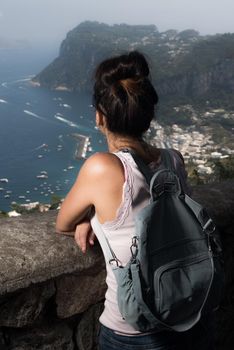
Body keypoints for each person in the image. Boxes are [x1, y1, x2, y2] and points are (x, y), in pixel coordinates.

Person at [56, 51, 215, 350]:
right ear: (148, 116)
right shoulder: (173, 160)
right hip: (188, 313)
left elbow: (62, 223)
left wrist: (91, 219)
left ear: (99, 116)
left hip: (133, 331)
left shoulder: (102, 167)